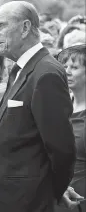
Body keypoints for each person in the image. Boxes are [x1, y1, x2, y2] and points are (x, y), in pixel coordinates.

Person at [0, 1, 76, 212]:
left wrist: (53, 192)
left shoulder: (46, 73)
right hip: (4, 195)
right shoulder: (21, 69)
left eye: (0, 26)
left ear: (25, 28)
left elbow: (61, 149)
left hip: (22, 201)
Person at [56, 44, 86, 212]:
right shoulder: (59, 105)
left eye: (74, 67)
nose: (67, 71)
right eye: (64, 66)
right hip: (59, 195)